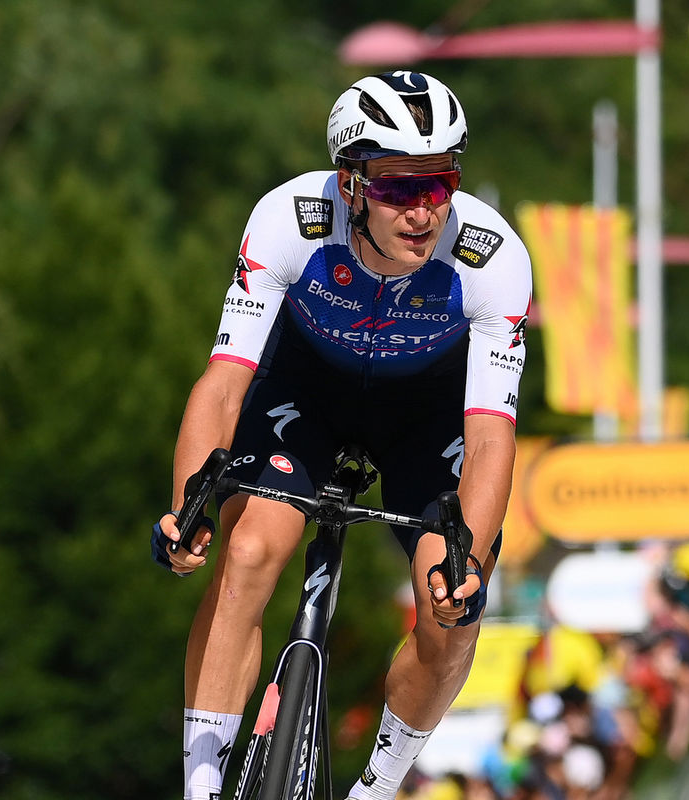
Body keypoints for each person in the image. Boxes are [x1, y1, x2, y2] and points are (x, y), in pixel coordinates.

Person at [151, 70, 533, 800]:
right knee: (252, 552)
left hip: (427, 418)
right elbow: (225, 382)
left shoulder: (493, 259)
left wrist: (468, 563)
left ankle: (377, 788)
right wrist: (186, 507)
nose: (423, 211)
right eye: (397, 188)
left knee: (449, 610)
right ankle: (201, 787)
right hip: (307, 397)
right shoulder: (288, 220)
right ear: (350, 183)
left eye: (440, 184)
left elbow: (488, 438)